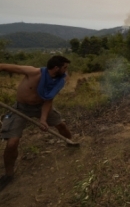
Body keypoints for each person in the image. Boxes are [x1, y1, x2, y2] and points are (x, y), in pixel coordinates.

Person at [0, 55, 73, 192]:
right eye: (65, 67)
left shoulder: (58, 81)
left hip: (41, 107)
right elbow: (3, 67)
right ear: (56, 68)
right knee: (12, 143)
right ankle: (8, 175)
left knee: (61, 125)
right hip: (20, 108)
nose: (66, 70)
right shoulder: (33, 72)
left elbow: (48, 101)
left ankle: (71, 143)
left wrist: (43, 119)